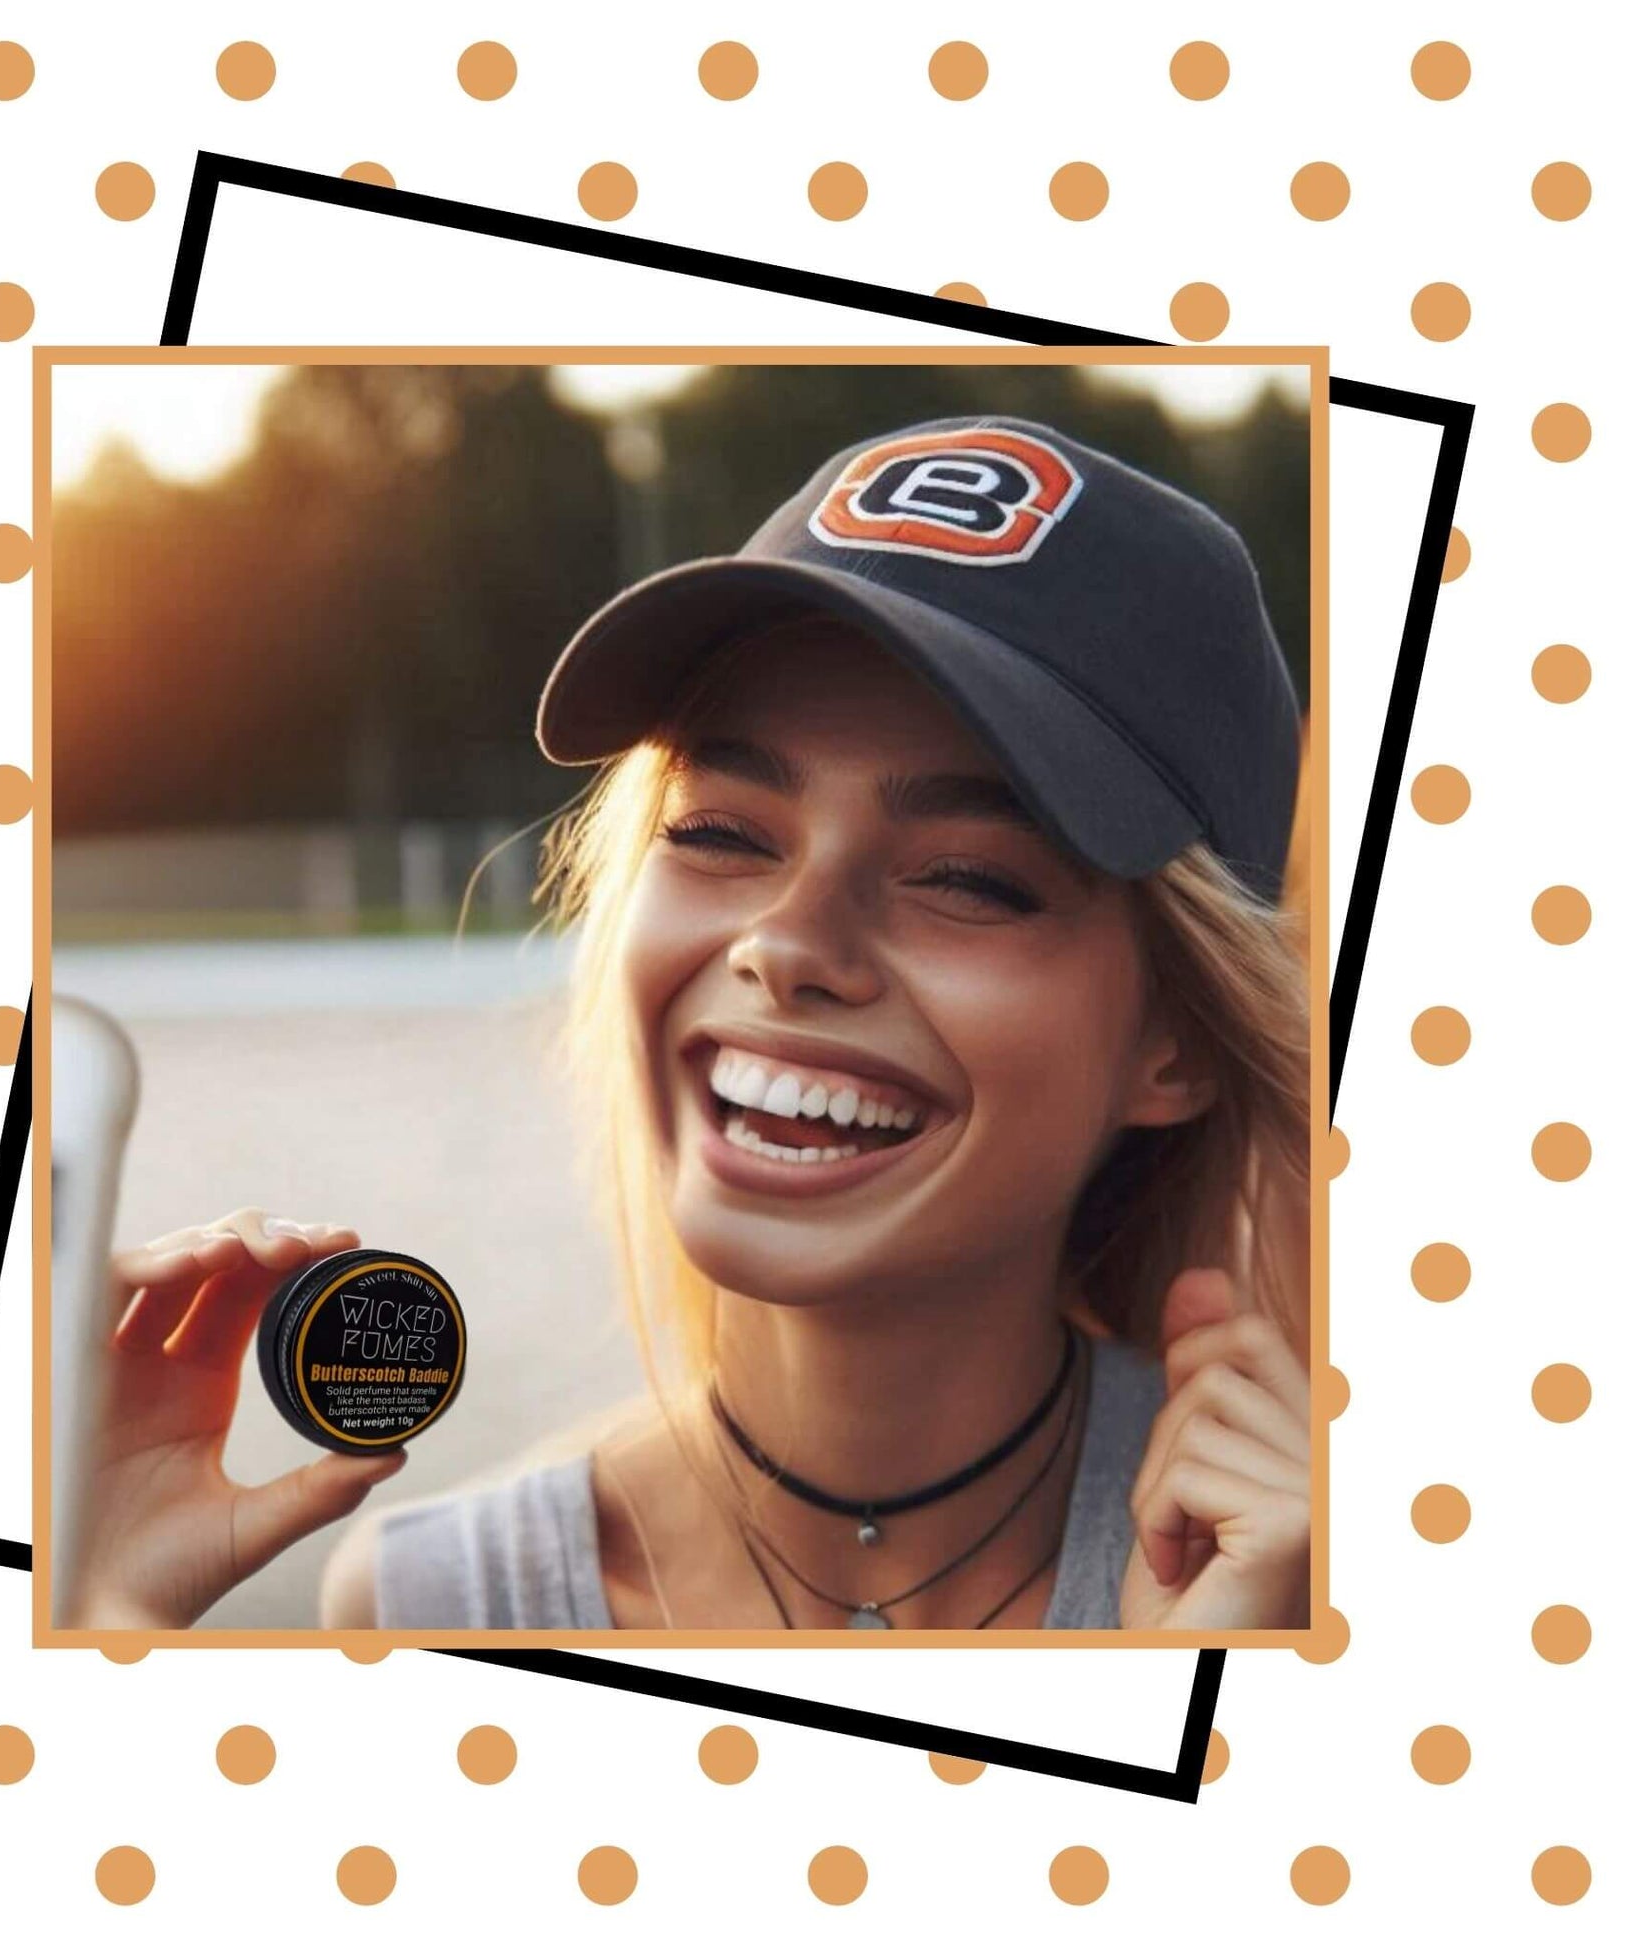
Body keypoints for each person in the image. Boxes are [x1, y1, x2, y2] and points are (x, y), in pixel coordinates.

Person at [67, 413, 1313, 1635]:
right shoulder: (433, 1604)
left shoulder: (1313, 1572)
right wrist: (101, 1615)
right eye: (718, 832)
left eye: (967, 878)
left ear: (1179, 1044)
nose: (783, 942)